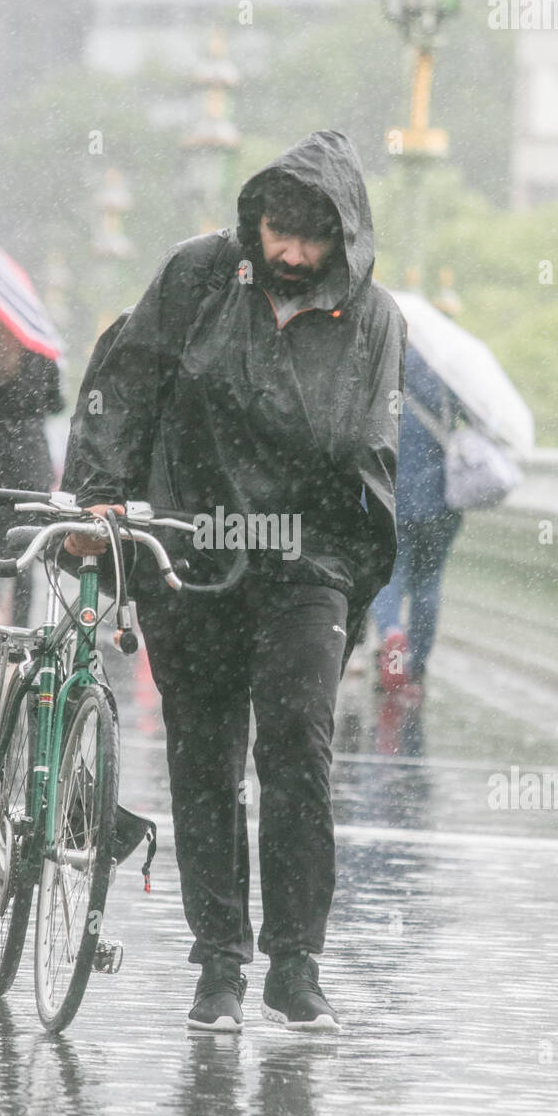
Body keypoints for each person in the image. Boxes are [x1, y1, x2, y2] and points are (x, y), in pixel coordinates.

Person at [61, 130, 406, 1033]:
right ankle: (219, 964)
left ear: (345, 240)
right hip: (193, 553)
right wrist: (100, 502)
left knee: (297, 749)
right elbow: (124, 384)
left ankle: (297, 963)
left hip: (305, 566)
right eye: (276, 231)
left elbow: (372, 464)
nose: (290, 254)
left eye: (312, 239)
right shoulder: (200, 277)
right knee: (204, 760)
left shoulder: (375, 324)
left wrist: (349, 590)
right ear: (254, 219)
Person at [0, 311, 64, 660]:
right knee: (26, 552)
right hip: (29, 463)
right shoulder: (41, 354)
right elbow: (56, 403)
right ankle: (20, 633)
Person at [372, 340, 463, 697]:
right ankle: (417, 669)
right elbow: (479, 422)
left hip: (391, 493)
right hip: (440, 496)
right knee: (429, 582)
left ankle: (392, 632)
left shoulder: (384, 363)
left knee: (390, 575)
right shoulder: (450, 370)